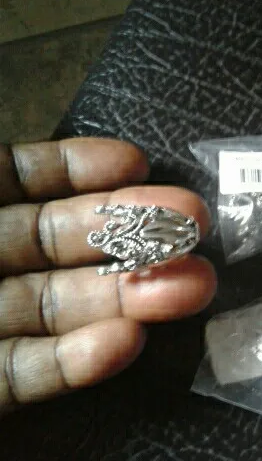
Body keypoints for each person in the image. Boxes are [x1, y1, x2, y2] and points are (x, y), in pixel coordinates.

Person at [0, 137, 217, 414]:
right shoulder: (122, 244)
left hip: (164, 235)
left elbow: (136, 228)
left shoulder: (124, 232)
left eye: (100, 238)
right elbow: (137, 256)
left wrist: (111, 226)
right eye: (100, 239)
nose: (100, 239)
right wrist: (113, 267)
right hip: (158, 241)